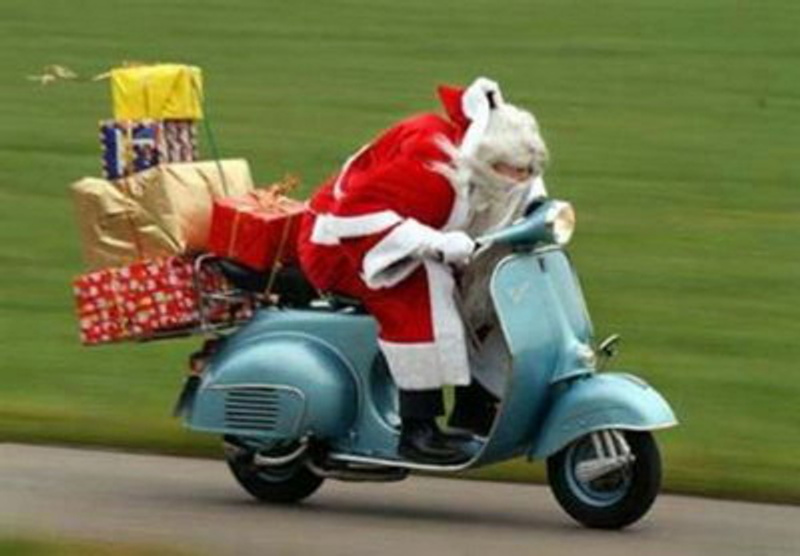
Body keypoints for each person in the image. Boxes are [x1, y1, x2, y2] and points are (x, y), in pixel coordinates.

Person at [297, 77, 549, 464]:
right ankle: (418, 428)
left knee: (497, 281)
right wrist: (433, 243)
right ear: (486, 161)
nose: (519, 180)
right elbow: (354, 215)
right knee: (424, 280)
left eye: (525, 171)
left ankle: (477, 403)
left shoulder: (483, 157)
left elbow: (525, 190)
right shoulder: (433, 171)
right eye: (511, 171)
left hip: (394, 235)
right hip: (341, 247)